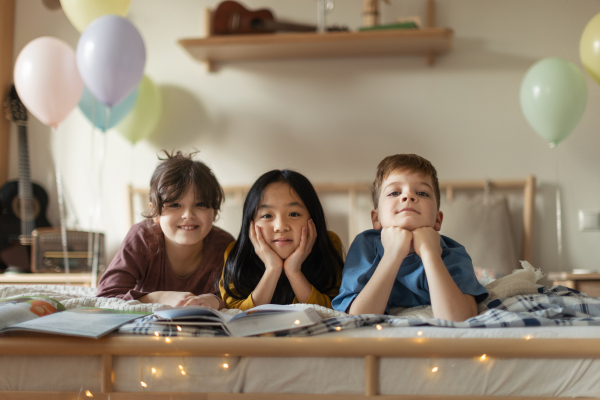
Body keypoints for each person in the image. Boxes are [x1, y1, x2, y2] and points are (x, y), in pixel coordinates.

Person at [332, 154, 488, 321]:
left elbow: (459, 318)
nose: (408, 196)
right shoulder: (365, 246)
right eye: (394, 193)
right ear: (376, 218)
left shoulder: (452, 253)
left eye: (422, 192)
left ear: (437, 219)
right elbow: (358, 316)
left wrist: (430, 254)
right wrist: (393, 254)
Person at [96, 151, 234, 309]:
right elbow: (106, 296)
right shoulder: (142, 239)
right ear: (155, 212)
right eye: (175, 205)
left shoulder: (225, 246)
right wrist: (158, 297)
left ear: (214, 211)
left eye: (200, 204)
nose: (188, 215)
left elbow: (240, 298)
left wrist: (216, 301)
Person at [220, 169, 344, 310]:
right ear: (250, 224)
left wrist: (294, 271)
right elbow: (235, 313)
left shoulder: (328, 244)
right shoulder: (237, 253)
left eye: (294, 214)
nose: (281, 227)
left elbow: (333, 311)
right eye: (267, 216)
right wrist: (272, 269)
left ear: (313, 219)